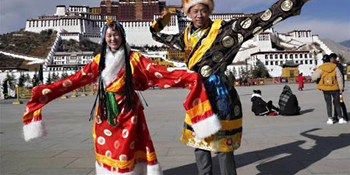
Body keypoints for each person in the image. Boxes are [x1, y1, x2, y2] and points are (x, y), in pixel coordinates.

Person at [150, 0, 324, 174]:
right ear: (188, 13)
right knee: (199, 146)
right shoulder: (185, 36)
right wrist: (160, 23)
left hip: (221, 96)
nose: (199, 15)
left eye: (203, 10)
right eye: (194, 11)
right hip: (198, 97)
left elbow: (262, 19)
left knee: (223, 147)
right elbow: (159, 36)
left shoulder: (225, 30)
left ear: (209, 11)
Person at [22, 19, 221, 175]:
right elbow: (76, 79)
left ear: (122, 36)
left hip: (129, 114)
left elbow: (158, 71)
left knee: (127, 151)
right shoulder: (99, 61)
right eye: (109, 35)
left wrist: (188, 77)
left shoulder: (134, 58)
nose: (112, 39)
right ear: (104, 38)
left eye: (116, 34)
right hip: (106, 114)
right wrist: (47, 91)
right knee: (106, 150)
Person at [311, 54, 346, 124]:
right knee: (337, 103)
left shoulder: (321, 68)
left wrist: (317, 81)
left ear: (323, 61)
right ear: (329, 60)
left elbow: (314, 77)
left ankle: (330, 119)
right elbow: (339, 78)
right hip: (335, 88)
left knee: (328, 103)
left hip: (325, 89)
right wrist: (341, 88)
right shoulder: (335, 67)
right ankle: (341, 118)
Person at [330, 53, 348, 121]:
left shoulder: (338, 65)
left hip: (338, 87)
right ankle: (336, 116)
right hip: (334, 87)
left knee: (340, 101)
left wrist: (342, 87)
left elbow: (341, 77)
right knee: (335, 101)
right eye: (330, 59)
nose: (331, 60)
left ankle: (344, 116)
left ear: (335, 59)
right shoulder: (333, 65)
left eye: (332, 59)